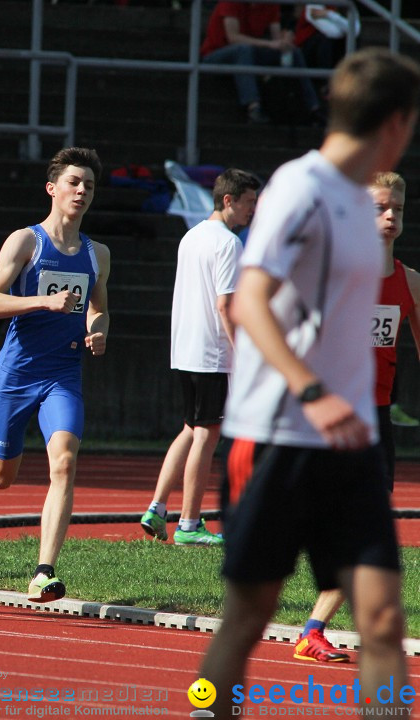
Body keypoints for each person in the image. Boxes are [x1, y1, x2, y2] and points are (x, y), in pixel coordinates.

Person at [198, 48, 420, 715]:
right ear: (397, 124)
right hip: (275, 438)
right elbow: (252, 301)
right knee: (247, 618)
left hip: (348, 448)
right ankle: (208, 707)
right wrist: (314, 392)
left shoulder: (364, 207)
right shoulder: (301, 188)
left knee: (382, 621)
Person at [0, 147, 110, 603]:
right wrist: (43, 302)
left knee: (65, 462)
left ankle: (44, 571)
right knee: (2, 476)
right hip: (17, 372)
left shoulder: (98, 254)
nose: (81, 191)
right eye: (74, 182)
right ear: (52, 188)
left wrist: (98, 333)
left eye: (89, 185)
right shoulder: (25, 242)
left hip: (63, 374)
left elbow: (100, 309)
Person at [292, 170, 420, 664]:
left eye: (398, 210)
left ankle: (313, 629)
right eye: (379, 208)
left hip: (377, 418)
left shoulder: (409, 282)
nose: (390, 217)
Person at [139, 169, 260, 547]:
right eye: (249, 202)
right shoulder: (228, 243)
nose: (253, 211)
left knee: (191, 429)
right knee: (207, 436)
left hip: (186, 349)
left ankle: (158, 507)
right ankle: (189, 523)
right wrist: (242, 356)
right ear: (229, 200)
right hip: (212, 353)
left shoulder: (191, 237)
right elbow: (226, 305)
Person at [200, 1, 323, 124]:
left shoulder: (271, 4)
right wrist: (270, 44)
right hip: (215, 54)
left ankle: (313, 107)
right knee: (243, 49)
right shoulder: (231, 2)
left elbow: (276, 39)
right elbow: (233, 38)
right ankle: (253, 107)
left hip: (249, 53)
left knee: (294, 52)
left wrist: (285, 41)